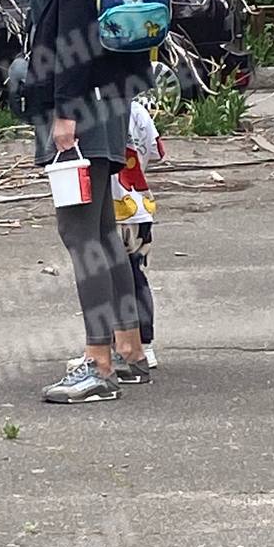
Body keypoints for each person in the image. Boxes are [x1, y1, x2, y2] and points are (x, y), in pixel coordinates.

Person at [22, 0, 153, 404]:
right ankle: (130, 350)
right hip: (114, 97)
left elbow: (73, 28)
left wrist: (63, 110)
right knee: (103, 233)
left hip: (80, 104)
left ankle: (96, 363)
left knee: (81, 235)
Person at [112, 97, 165, 371]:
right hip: (142, 207)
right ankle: (145, 342)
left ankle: (120, 344)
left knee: (111, 278)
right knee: (136, 275)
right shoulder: (139, 110)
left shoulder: (100, 108)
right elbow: (157, 151)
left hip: (111, 209)